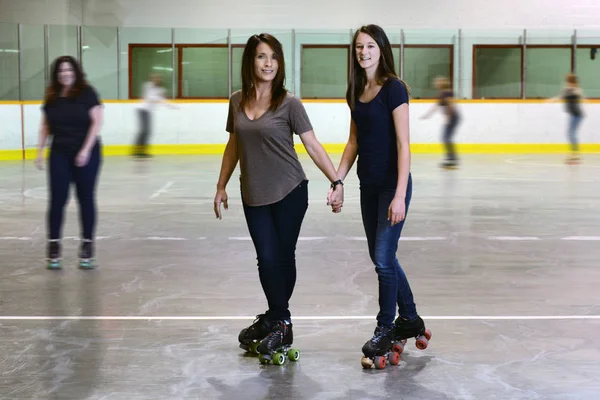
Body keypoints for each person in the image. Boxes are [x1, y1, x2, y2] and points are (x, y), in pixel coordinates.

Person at [213, 33, 343, 360]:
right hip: (252, 193)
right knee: (266, 258)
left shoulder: (289, 103)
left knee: (281, 258)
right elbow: (233, 147)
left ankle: (279, 321)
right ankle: (276, 318)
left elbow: (312, 145)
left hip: (290, 191)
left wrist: (336, 180)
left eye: (273, 57)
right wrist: (221, 186)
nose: (268, 63)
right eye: (261, 56)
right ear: (251, 61)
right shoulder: (236, 101)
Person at [333, 24, 430, 365]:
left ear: (382, 49)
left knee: (384, 260)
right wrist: (338, 180)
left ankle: (385, 328)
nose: (364, 52)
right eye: (359, 47)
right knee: (381, 256)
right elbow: (353, 142)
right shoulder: (355, 90)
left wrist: (400, 195)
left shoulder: (394, 89)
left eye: (370, 46)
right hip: (368, 186)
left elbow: (404, 145)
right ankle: (411, 319)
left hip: (393, 186)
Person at [35, 55, 104, 269]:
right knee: (57, 199)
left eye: (69, 70)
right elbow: (45, 127)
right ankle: (54, 246)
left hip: (87, 153)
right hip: (60, 153)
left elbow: (97, 123)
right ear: (56, 75)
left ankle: (87, 246)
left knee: (85, 198)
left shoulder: (87, 93)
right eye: (61, 71)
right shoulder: (52, 96)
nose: (65, 74)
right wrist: (39, 152)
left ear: (75, 72)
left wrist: (84, 150)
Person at [133, 73, 176, 158]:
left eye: (158, 79)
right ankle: (137, 151)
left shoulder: (160, 89)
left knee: (148, 131)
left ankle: (143, 151)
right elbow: (150, 97)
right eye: (154, 78)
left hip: (148, 111)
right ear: (151, 79)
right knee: (144, 130)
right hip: (142, 109)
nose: (156, 80)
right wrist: (159, 97)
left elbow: (163, 99)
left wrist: (172, 105)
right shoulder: (148, 85)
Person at [421, 76, 460, 168]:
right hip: (453, 117)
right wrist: (427, 115)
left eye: (437, 82)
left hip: (453, 117)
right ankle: (451, 158)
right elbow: (436, 106)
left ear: (442, 84)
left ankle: (452, 159)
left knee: (446, 138)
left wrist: (449, 117)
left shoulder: (446, 93)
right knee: (446, 138)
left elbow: (451, 104)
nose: (435, 84)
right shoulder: (442, 93)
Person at [547, 73, 585, 164]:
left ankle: (575, 154)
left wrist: (572, 90)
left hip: (576, 114)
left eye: (568, 81)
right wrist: (552, 100)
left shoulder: (575, 89)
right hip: (573, 114)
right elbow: (561, 96)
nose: (567, 82)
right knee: (570, 133)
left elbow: (580, 95)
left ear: (571, 81)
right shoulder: (568, 89)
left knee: (571, 133)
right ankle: (574, 153)